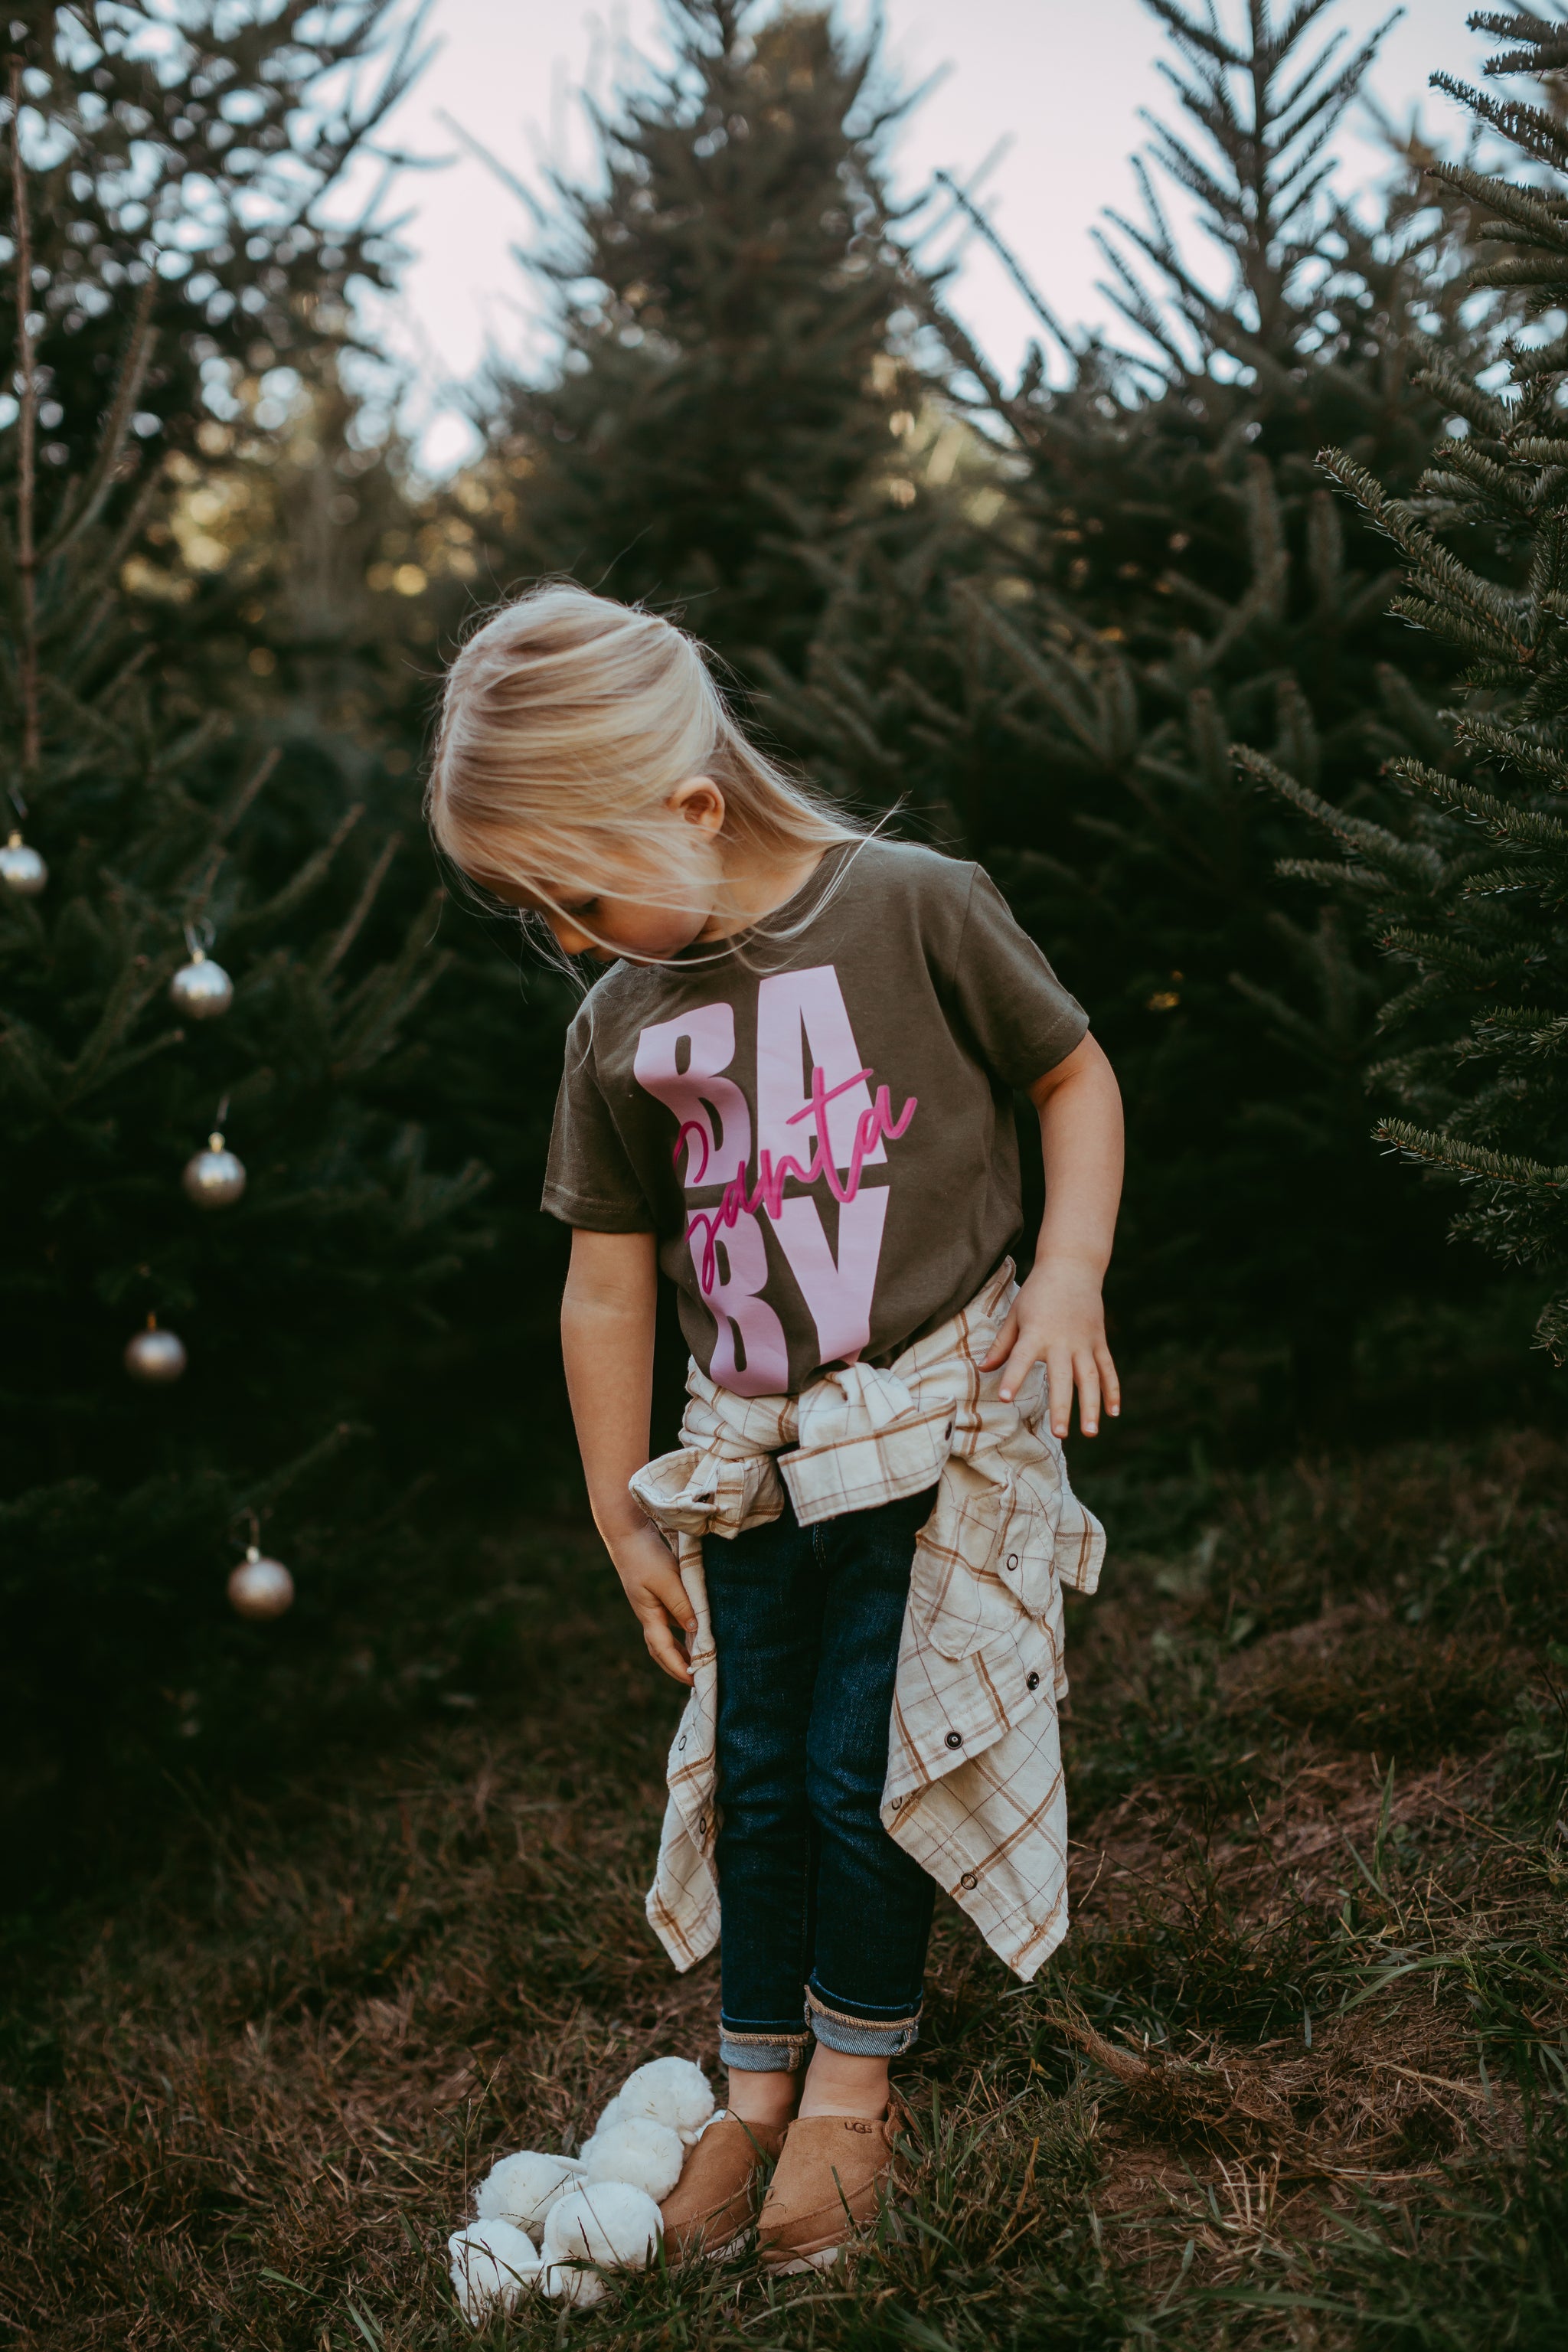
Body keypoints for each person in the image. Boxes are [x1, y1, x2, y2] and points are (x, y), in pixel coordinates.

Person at [428, 583, 1122, 2274]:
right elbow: (606, 1286)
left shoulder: (914, 908)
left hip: (927, 1436)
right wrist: (620, 1505)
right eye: (538, 914)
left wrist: (1068, 1277)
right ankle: (750, 2098)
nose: (570, 941)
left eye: (578, 896)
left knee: (859, 1767)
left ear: (689, 805)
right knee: (754, 1774)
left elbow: (1074, 1077)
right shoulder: (617, 1026)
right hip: (747, 1468)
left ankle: (850, 2096)